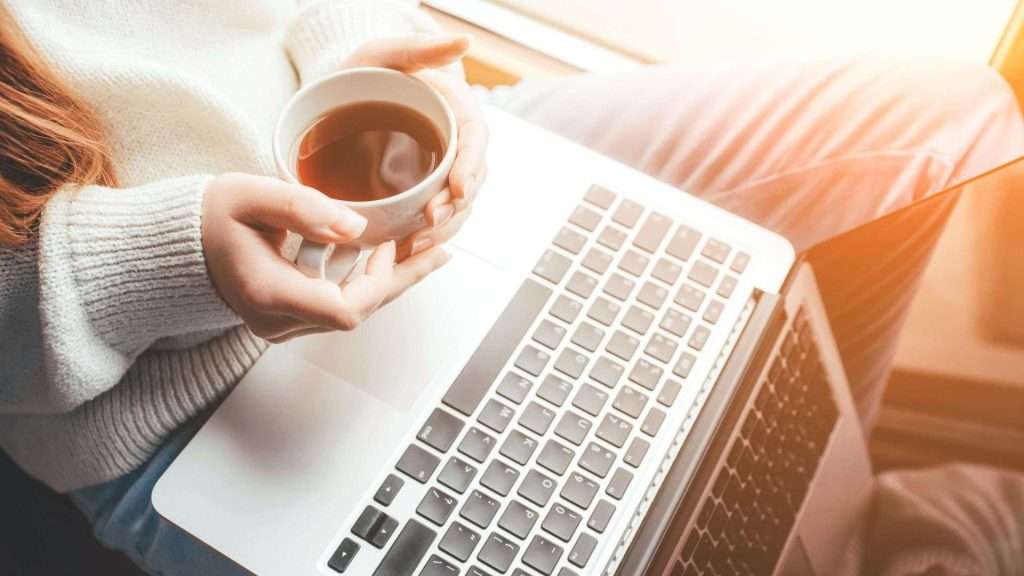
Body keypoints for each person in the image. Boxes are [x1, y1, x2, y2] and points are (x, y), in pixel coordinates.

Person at [0, 1, 1021, 575]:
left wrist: (360, 55)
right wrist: (172, 261)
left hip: (385, 152)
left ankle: (826, 493)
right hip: (172, 401)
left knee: (945, 112)